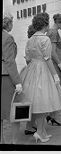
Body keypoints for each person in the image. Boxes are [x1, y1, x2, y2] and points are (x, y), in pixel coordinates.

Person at [21, 12, 61, 143]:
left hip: (31, 70)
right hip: (43, 70)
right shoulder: (45, 39)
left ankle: (42, 131)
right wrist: (55, 75)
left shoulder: (30, 39)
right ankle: (39, 132)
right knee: (43, 102)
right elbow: (48, 59)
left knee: (37, 102)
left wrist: (33, 67)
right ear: (45, 24)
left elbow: (27, 59)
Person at [1, 13, 23, 144]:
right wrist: (18, 82)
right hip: (6, 77)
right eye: (12, 23)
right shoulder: (7, 38)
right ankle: (14, 143)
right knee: (15, 111)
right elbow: (10, 61)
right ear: (8, 24)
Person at [46, 13, 61, 126]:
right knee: (57, 91)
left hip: (52, 64)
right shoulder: (54, 32)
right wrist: (60, 65)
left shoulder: (51, 31)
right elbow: (52, 52)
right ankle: (55, 117)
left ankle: (51, 115)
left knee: (53, 90)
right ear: (59, 22)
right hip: (55, 64)